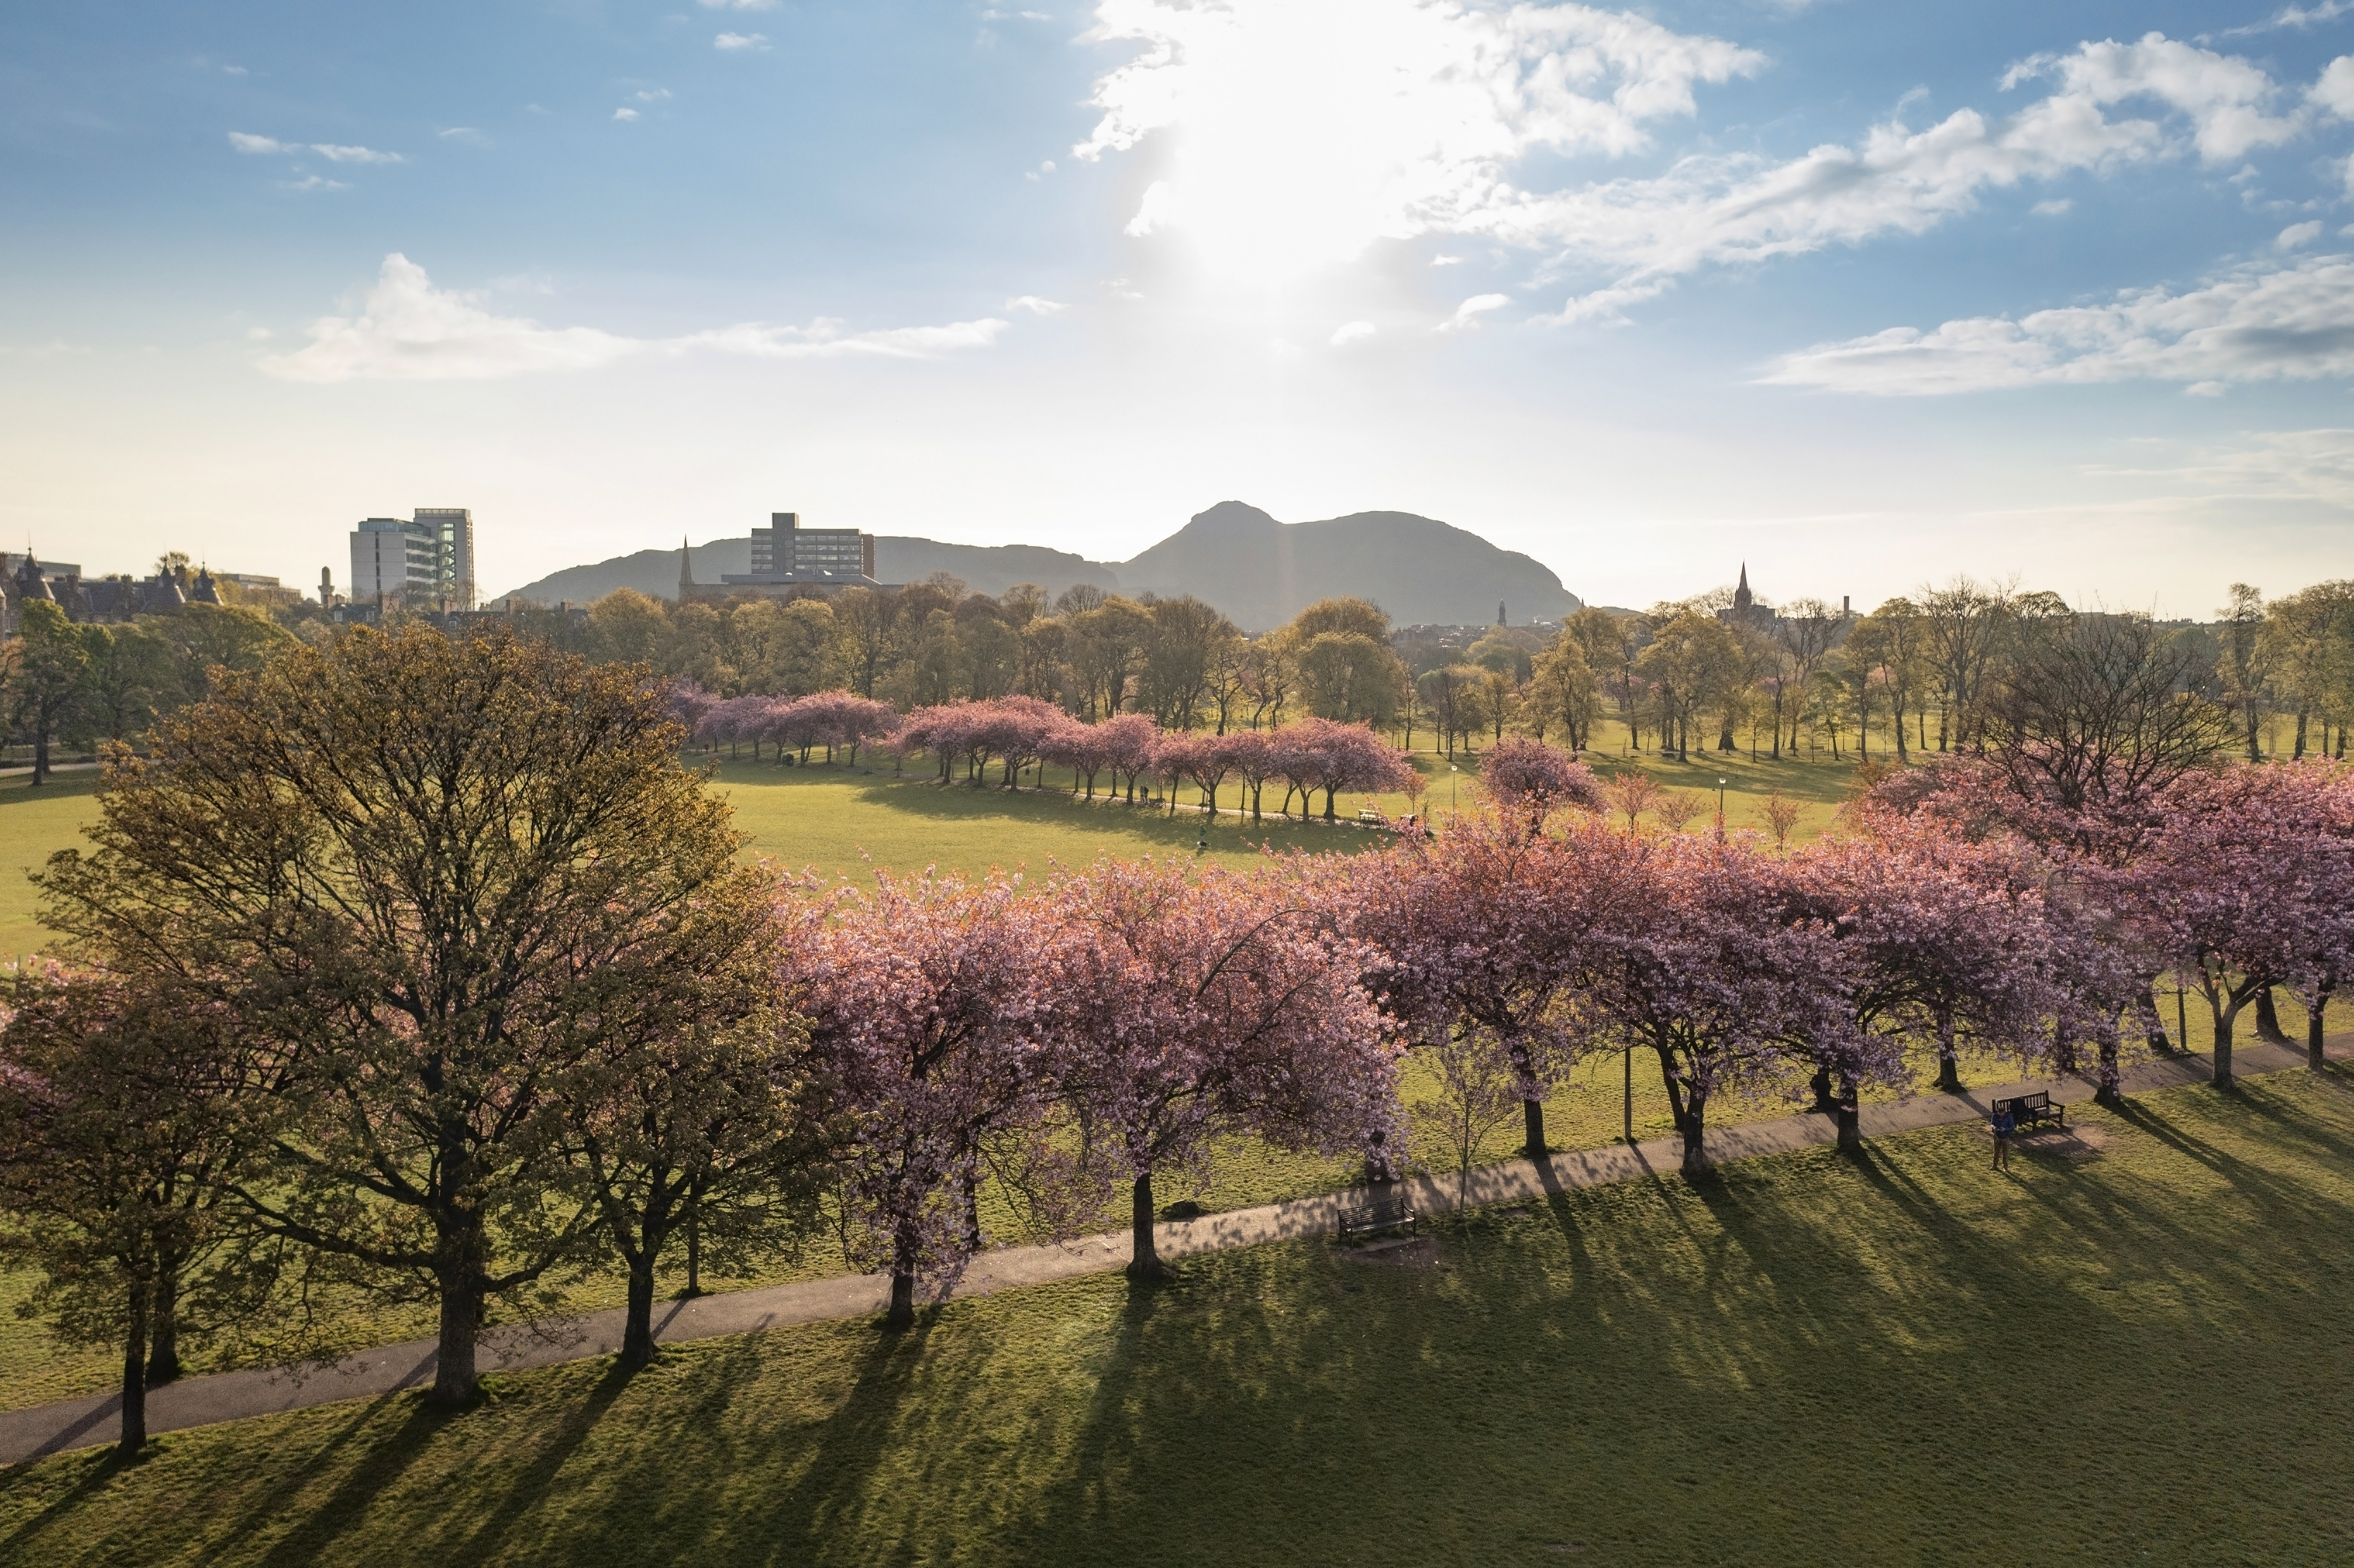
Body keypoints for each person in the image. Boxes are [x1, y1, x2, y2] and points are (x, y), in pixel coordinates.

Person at [1990, 1104, 2016, 1171]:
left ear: (2004, 1112)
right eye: (1999, 1114)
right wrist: (1994, 1127)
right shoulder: (1995, 1116)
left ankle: (2006, 1167)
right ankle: (1995, 1166)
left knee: (2005, 1153)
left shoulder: (2009, 1117)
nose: (2000, 1115)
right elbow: (1992, 1124)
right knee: (1996, 1152)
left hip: (2005, 1137)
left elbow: (2012, 1127)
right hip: (1997, 1136)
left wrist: (2005, 1129)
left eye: (2001, 1114)